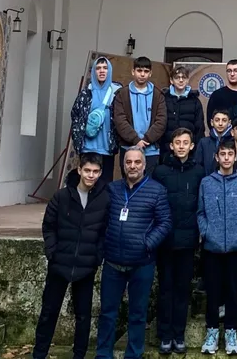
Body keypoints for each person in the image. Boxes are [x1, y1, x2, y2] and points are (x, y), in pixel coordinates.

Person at [96, 148, 172, 359]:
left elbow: (165, 222)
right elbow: (101, 219)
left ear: (144, 165)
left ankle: (134, 354)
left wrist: (147, 244)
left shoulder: (157, 190)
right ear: (123, 165)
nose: (132, 166)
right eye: (128, 162)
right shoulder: (112, 189)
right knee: (107, 313)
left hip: (142, 263)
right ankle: (103, 354)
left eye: (137, 162)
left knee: (138, 314)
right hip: (113, 261)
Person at [34, 153, 111, 359]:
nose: (91, 175)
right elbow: (48, 226)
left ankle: (79, 355)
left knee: (83, 316)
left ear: (100, 173)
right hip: (59, 264)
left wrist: (97, 256)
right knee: (49, 313)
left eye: (95, 172)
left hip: (86, 266)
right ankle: (39, 354)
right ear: (79, 170)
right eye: (87, 171)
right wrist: (52, 252)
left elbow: (105, 231)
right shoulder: (61, 196)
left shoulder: (104, 199)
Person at [197, 140, 237, 355]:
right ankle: (212, 332)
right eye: (223, 154)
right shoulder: (206, 183)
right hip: (212, 248)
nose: (226, 158)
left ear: (235, 157)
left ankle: (231, 332)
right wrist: (206, 232)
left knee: (233, 291)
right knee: (213, 292)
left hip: (235, 248)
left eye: (230, 154)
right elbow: (200, 212)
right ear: (217, 157)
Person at [152, 128, 206, 355]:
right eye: (178, 142)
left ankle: (179, 334)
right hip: (165, 241)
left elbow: (202, 204)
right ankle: (165, 335)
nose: (181, 146)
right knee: (165, 288)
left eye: (186, 142)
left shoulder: (199, 172)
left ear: (192, 146)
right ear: (171, 146)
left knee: (183, 290)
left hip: (188, 241)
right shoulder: (160, 171)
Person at [113, 57, 168, 174]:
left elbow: (161, 121)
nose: (142, 74)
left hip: (151, 150)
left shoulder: (158, 95)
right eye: (139, 70)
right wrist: (135, 139)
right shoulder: (122, 94)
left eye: (146, 71)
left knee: (148, 183)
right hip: (128, 148)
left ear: (150, 73)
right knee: (129, 182)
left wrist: (146, 140)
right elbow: (120, 120)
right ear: (133, 72)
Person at [70, 56, 122, 181]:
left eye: (105, 68)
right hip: (87, 147)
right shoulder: (86, 93)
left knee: (105, 183)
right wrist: (78, 140)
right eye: (98, 68)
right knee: (88, 181)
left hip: (107, 148)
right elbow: (75, 116)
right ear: (94, 71)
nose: (102, 71)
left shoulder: (117, 93)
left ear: (110, 70)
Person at [162, 67, 205, 151]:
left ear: (187, 80)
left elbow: (199, 128)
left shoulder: (195, 101)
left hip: (189, 149)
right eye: (177, 77)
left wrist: (196, 148)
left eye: (184, 77)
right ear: (171, 80)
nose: (181, 80)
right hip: (167, 147)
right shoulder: (163, 99)